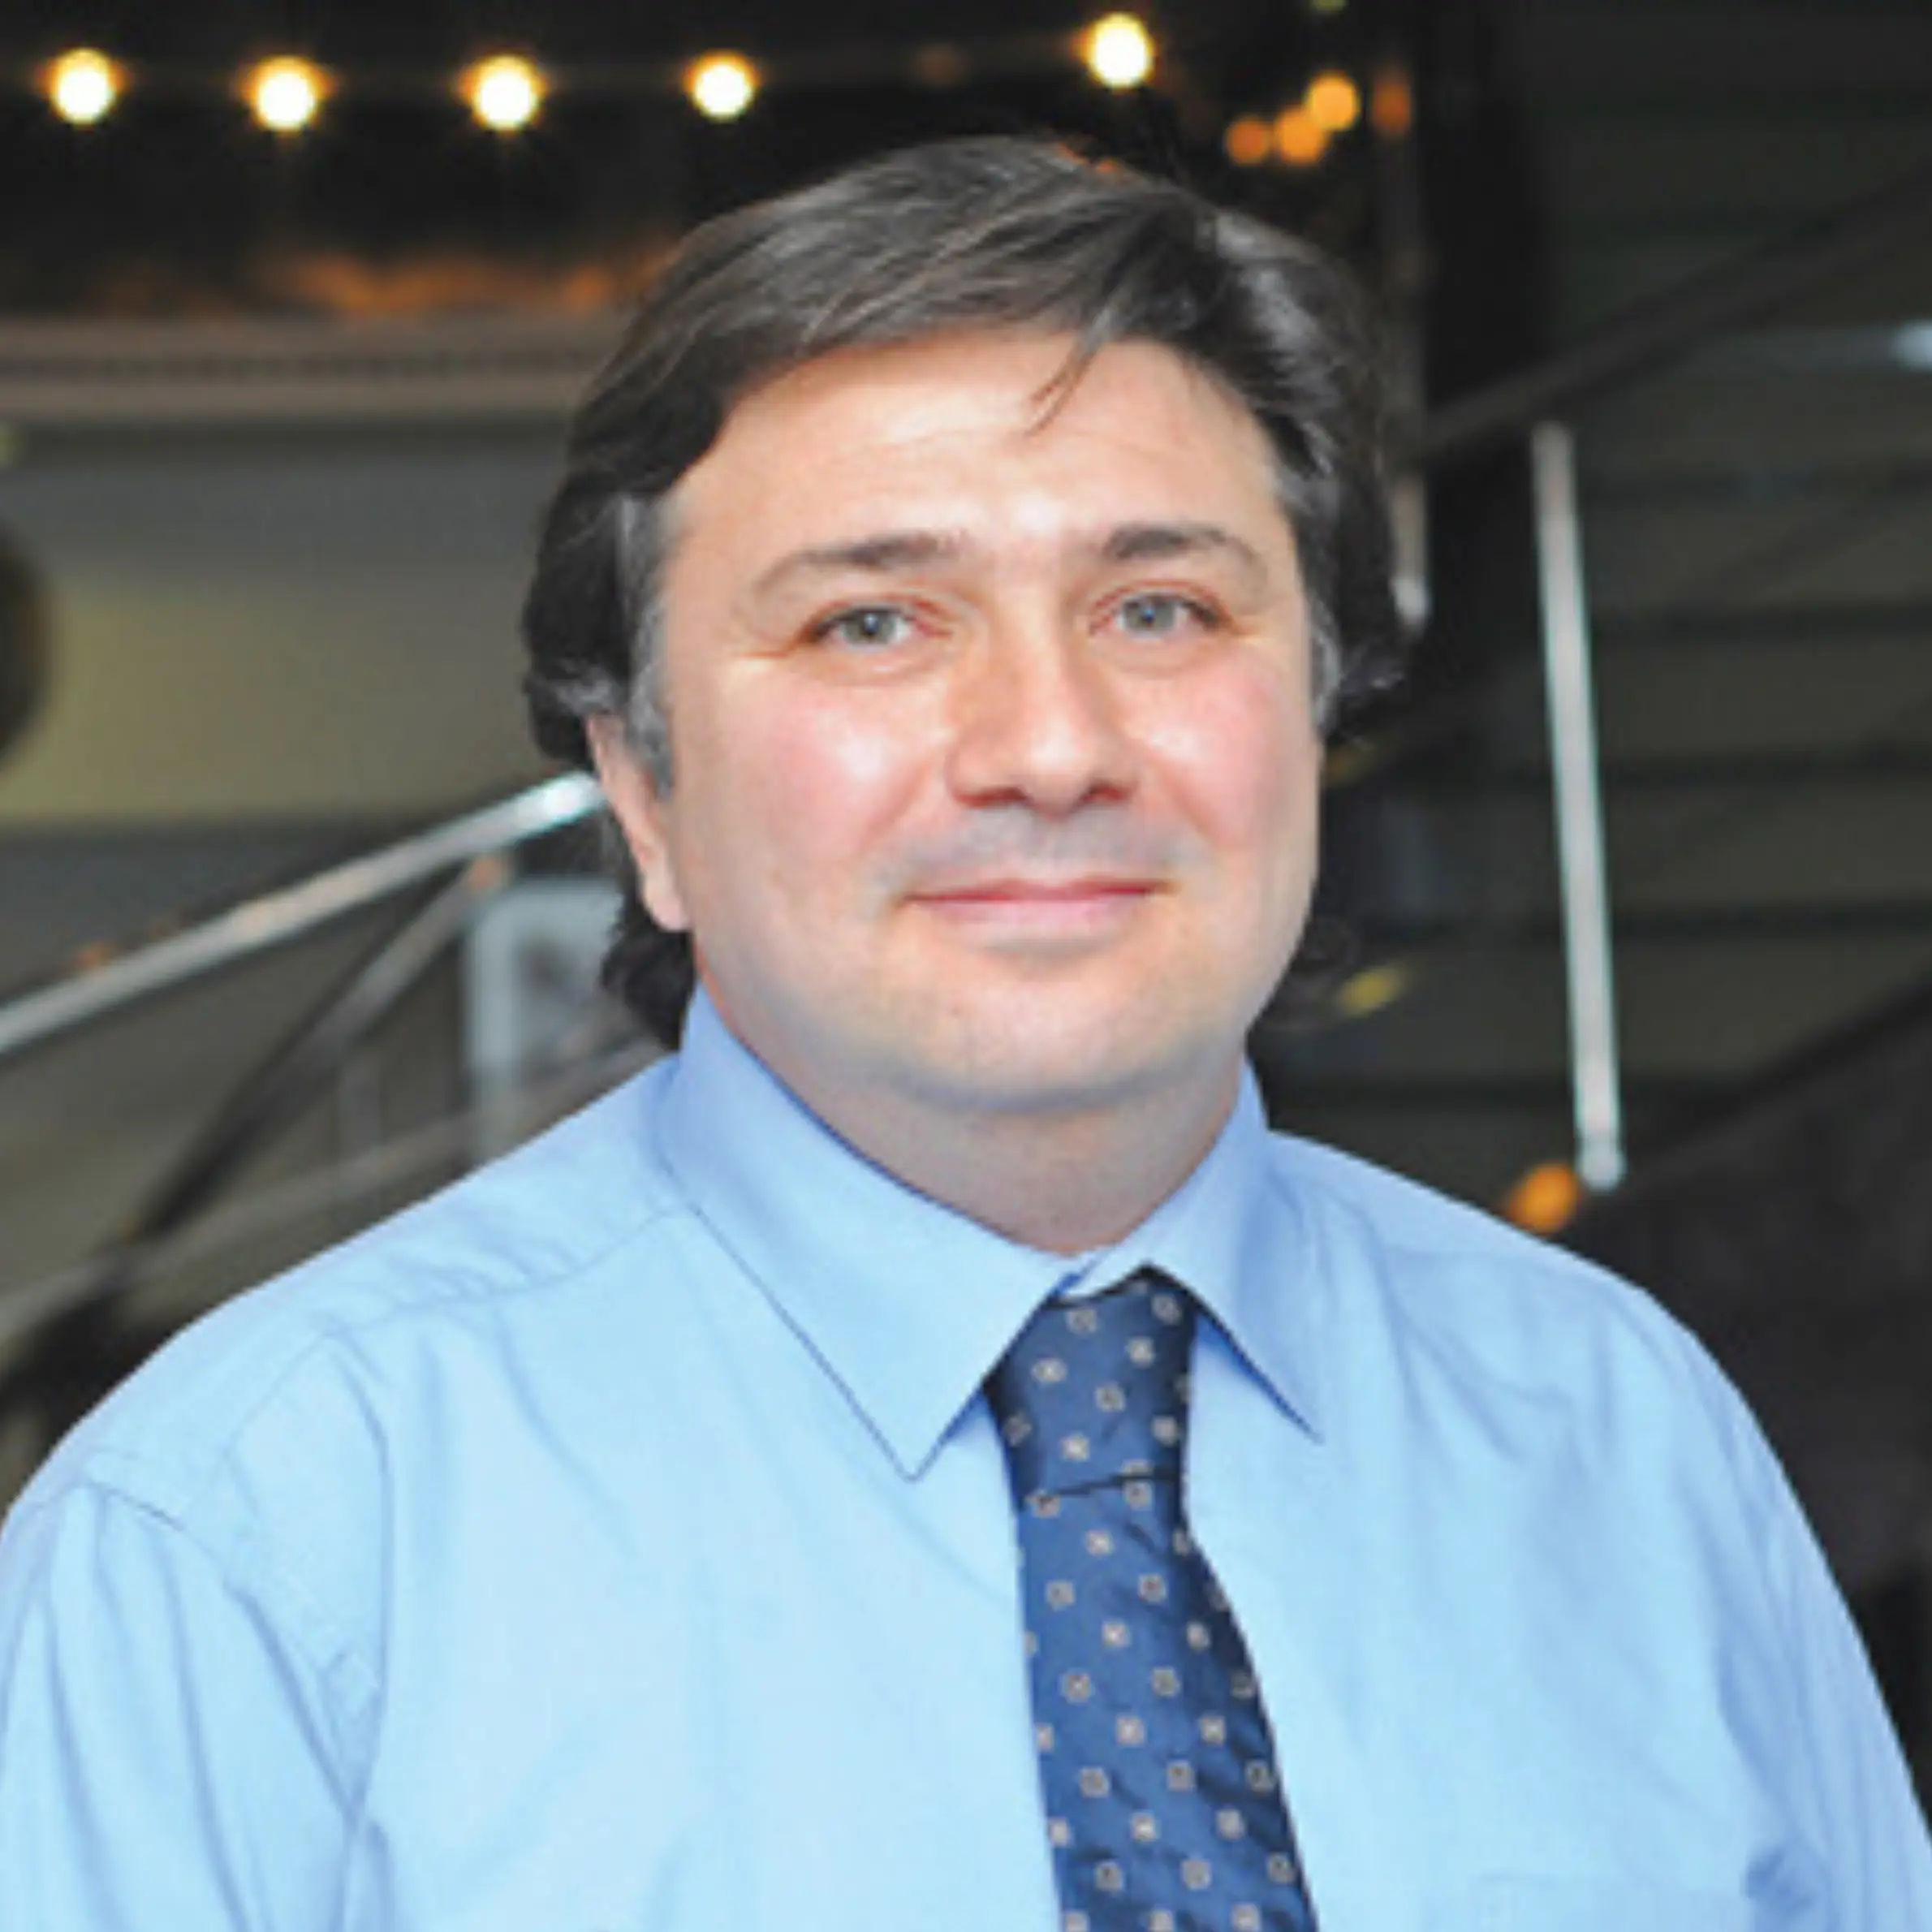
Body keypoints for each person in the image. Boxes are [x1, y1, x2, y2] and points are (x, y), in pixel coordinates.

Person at [1, 137, 1926, 1932]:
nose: (1049, 747)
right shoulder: (246, 1538)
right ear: (642, 789)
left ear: (1319, 709)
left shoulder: (1618, 1431)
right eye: (872, 624)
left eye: (1157, 607)